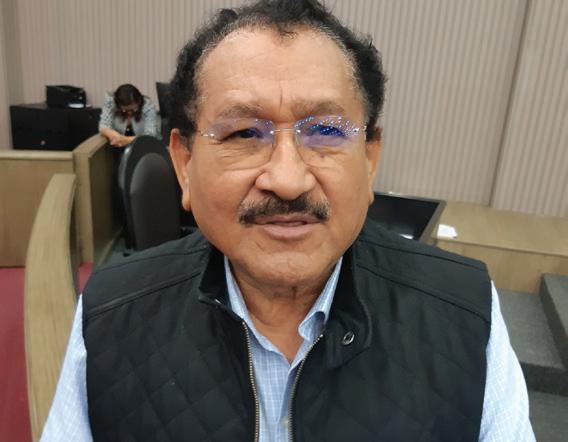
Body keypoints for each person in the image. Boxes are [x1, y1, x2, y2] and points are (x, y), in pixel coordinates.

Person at [42, 1, 535, 441]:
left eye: (326, 131)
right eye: (243, 133)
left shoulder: (466, 311)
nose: (287, 179)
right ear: (184, 163)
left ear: (369, 160)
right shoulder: (109, 314)